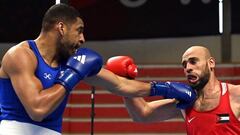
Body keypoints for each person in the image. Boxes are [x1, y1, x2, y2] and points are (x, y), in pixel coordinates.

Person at [0, 3, 196, 135]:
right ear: (61, 28)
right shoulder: (21, 55)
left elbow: (120, 85)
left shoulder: (70, 60)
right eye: (79, 30)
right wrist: (72, 74)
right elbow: (37, 109)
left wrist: (165, 88)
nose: (83, 39)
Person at [109, 46, 240, 135]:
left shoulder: (235, 95)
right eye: (184, 64)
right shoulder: (186, 103)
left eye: (193, 61)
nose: (188, 68)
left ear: (211, 63)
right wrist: (124, 79)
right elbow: (142, 113)